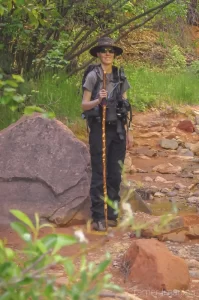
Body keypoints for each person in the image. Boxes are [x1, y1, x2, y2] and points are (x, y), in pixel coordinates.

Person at [82, 37, 132, 231]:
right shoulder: (93, 76)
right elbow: (84, 104)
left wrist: (129, 131)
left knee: (114, 174)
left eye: (111, 51)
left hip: (118, 129)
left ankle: (112, 214)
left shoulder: (120, 75)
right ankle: (97, 217)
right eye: (104, 50)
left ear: (115, 54)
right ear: (98, 54)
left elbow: (126, 106)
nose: (107, 53)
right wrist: (97, 101)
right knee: (99, 172)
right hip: (98, 128)